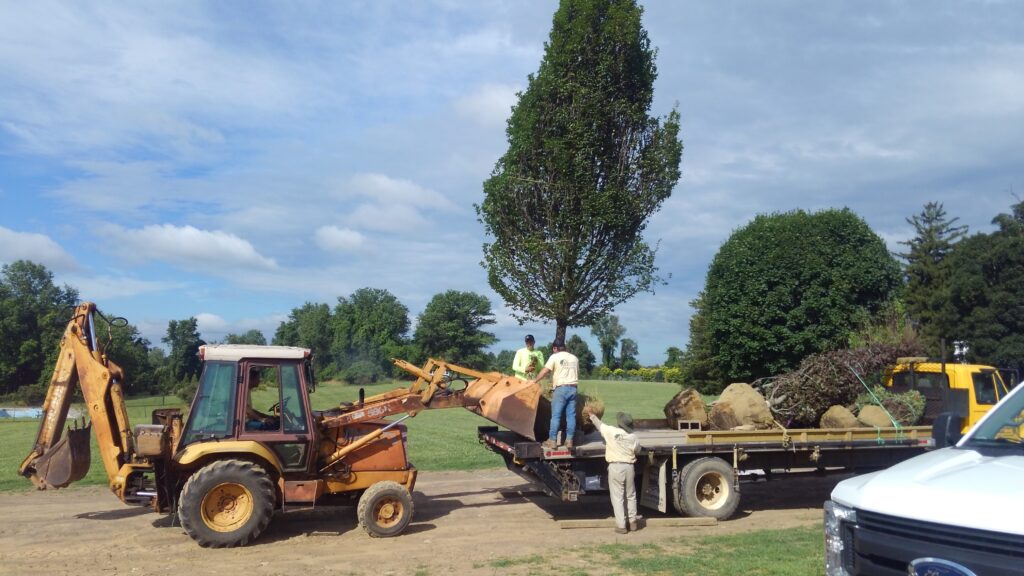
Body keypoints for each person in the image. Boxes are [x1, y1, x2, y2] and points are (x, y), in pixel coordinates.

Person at [587, 409, 640, 534]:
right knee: (630, 495)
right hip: (629, 467)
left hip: (615, 467)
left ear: (619, 423)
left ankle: (621, 526)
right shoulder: (633, 437)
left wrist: (592, 415)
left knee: (617, 497)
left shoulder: (611, 431)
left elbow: (599, 425)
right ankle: (632, 522)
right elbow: (637, 450)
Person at [530, 339, 579, 449]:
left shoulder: (555, 357)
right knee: (571, 416)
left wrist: (535, 381)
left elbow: (545, 371)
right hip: (573, 389)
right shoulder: (574, 358)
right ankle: (569, 440)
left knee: (556, 416)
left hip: (561, 389)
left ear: (555, 348)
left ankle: (552, 441)